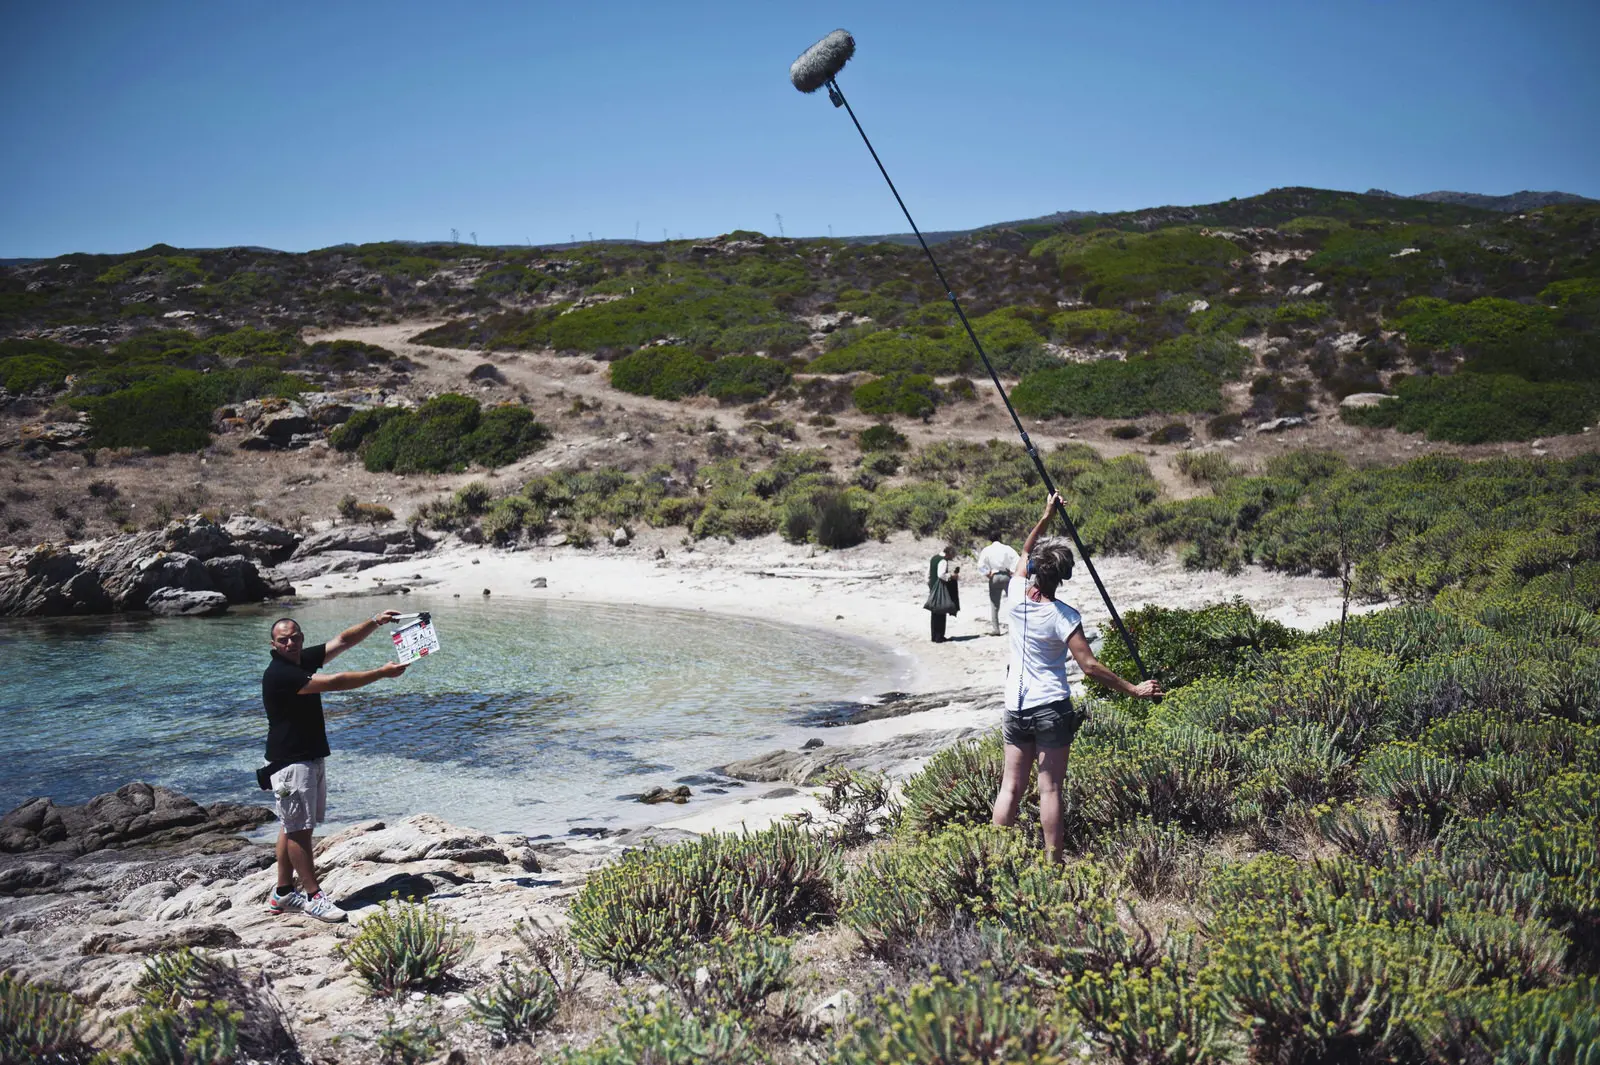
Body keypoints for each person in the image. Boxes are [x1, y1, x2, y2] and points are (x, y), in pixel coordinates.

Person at [991, 493, 1161, 860]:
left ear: (1036, 570)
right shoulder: (1064, 615)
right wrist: (1134, 689)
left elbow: (1025, 549)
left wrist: (1047, 514)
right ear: (1063, 577)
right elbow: (1089, 666)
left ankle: (991, 855)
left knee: (1010, 788)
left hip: (1015, 707)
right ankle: (1054, 865)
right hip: (1051, 707)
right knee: (1049, 789)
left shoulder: (1016, 593)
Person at [262, 611, 408, 922]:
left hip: (307, 756)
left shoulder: (299, 659)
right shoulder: (281, 674)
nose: (290, 643)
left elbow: (343, 640)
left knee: (291, 825)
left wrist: (375, 621)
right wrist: (381, 673)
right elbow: (336, 682)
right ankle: (314, 897)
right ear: (273, 645)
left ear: (301, 638)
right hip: (291, 762)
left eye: (295, 638)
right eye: (283, 640)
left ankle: (284, 893)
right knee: (300, 831)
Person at [976, 538, 1021, 636]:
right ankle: (1015, 627)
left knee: (994, 604)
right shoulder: (1007, 548)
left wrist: (987, 573)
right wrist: (1013, 571)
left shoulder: (987, 550)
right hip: (1006, 575)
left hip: (994, 576)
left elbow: (980, 565)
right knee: (1013, 602)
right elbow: (1017, 559)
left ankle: (996, 629)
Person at [925, 545, 961, 643]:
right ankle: (939, 636)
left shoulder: (934, 558)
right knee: (941, 611)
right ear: (949, 554)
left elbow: (927, 575)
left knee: (934, 613)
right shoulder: (943, 561)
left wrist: (930, 585)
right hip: (940, 589)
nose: (952, 558)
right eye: (952, 556)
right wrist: (952, 576)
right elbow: (941, 575)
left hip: (933, 588)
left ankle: (934, 636)